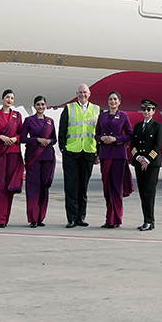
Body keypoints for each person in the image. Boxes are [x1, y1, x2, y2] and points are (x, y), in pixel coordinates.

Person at [58, 83, 100, 228]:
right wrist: (63, 149)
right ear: (77, 94)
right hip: (72, 152)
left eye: (85, 92)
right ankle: (71, 218)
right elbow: (62, 130)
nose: (83, 94)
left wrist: (97, 152)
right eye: (80, 92)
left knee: (83, 187)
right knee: (71, 187)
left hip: (88, 152)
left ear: (90, 94)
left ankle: (81, 217)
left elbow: (98, 132)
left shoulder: (96, 109)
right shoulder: (69, 108)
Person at [94, 91, 133, 228]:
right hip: (105, 154)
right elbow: (96, 135)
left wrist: (116, 139)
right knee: (106, 187)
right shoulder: (102, 116)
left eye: (115, 99)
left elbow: (129, 135)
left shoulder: (123, 116)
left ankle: (116, 219)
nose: (112, 101)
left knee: (116, 187)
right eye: (110, 99)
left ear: (119, 101)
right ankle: (108, 218)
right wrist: (101, 139)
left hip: (118, 155)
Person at [0, 89, 24, 228]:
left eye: (12, 98)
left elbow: (22, 134)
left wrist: (15, 138)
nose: (9, 100)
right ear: (2, 98)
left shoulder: (18, 116)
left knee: (10, 186)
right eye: (7, 97)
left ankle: (5, 218)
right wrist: (0, 137)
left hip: (14, 152)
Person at [21, 95, 56, 227]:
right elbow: (23, 138)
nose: (40, 107)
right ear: (34, 106)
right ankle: (33, 218)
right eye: (38, 104)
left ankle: (41, 217)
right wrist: (37, 140)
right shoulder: (29, 120)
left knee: (44, 187)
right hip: (33, 157)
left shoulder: (50, 121)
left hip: (47, 157)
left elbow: (54, 139)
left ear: (45, 106)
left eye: (42, 104)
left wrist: (49, 141)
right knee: (33, 187)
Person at [130, 99, 162, 231]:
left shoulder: (158, 126)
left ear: (154, 111)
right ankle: (147, 220)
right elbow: (133, 145)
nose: (146, 112)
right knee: (142, 193)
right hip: (139, 164)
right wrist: (138, 157)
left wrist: (147, 160)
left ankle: (149, 221)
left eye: (148, 109)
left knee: (149, 193)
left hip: (152, 164)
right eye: (144, 109)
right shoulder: (138, 126)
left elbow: (158, 146)